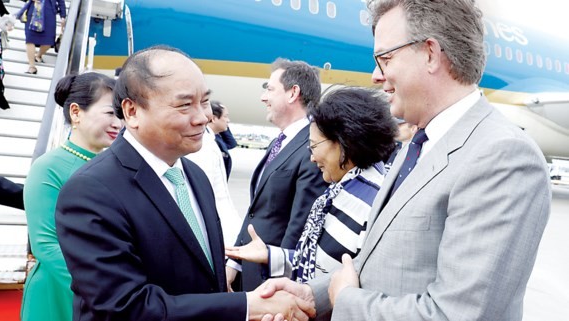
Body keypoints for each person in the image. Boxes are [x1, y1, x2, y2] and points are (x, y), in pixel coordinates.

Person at [261, 1, 551, 320]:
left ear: (430, 53)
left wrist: (346, 301)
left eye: (385, 59)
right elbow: (380, 261)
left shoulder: (502, 156)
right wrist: (314, 295)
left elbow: (458, 313)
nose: (375, 76)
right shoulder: (418, 146)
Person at [54, 46, 314, 321]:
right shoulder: (91, 191)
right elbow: (125, 308)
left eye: (204, 101)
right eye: (184, 105)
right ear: (131, 111)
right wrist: (246, 306)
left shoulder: (194, 176)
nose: (203, 116)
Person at [226, 86, 397, 283]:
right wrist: (270, 255)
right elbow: (318, 263)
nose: (312, 158)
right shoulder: (346, 187)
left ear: (344, 143)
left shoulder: (366, 203)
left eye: (314, 146)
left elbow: (328, 278)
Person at [21, 72, 120, 321]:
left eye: (121, 114)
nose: (119, 123)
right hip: (61, 290)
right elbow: (45, 246)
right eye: (110, 113)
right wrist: (103, 291)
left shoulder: (117, 166)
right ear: (76, 112)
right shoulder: (48, 167)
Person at [226, 58, 328, 292]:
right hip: (252, 273)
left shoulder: (311, 148)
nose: (264, 97)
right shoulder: (278, 142)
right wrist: (235, 261)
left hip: (273, 282)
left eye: (270, 89)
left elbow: (300, 226)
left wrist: (281, 287)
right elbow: (256, 212)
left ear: (293, 93)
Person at [186, 102, 242, 247]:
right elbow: (206, 189)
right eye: (226, 116)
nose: (228, 120)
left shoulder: (212, 140)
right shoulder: (204, 145)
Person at [23, 0, 66, 74]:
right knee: (30, 39)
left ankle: (38, 55)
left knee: (49, 41)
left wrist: (63, 15)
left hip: (49, 13)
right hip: (33, 9)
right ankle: (32, 66)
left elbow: (61, 1)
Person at [209, 101, 237, 179]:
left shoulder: (216, 137)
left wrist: (224, 126)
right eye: (225, 116)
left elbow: (232, 143)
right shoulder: (204, 141)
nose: (228, 120)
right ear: (213, 118)